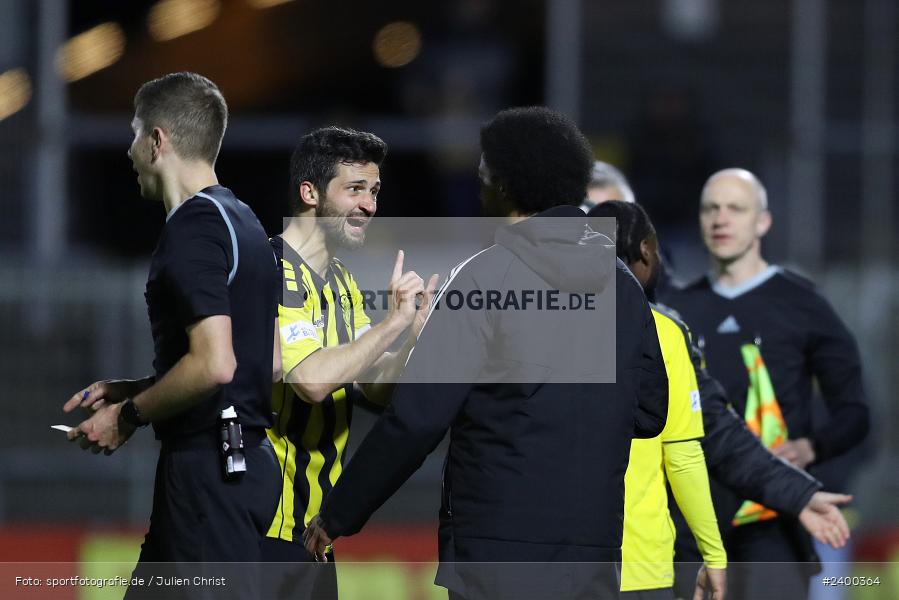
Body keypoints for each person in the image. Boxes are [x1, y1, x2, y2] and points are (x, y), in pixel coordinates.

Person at [303, 106, 670, 600]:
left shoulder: (484, 279)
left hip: (494, 556)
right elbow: (650, 411)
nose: (479, 187)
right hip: (591, 554)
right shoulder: (622, 284)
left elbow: (416, 420)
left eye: (484, 175)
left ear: (506, 185)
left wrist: (337, 514)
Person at [62, 72, 282, 600]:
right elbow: (265, 361)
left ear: (157, 140)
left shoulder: (192, 228)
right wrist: (136, 389)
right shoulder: (243, 220)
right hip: (237, 468)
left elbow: (216, 364)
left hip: (208, 477)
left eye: (135, 133)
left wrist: (128, 416)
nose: (129, 150)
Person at [591, 200, 855, 600]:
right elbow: (690, 450)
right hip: (641, 567)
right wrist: (714, 555)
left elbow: (715, 432)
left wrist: (796, 492)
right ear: (647, 250)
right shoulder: (662, 332)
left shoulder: (522, 321)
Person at [660, 169, 869, 600]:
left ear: (763, 222)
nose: (721, 219)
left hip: (773, 519)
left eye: (735, 208)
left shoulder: (803, 304)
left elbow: (855, 412)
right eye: (710, 208)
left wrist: (810, 448)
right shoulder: (676, 311)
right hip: (694, 523)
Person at [262, 126, 438, 599]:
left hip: (312, 531)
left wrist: (411, 341)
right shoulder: (271, 269)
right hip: (260, 531)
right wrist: (393, 325)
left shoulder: (341, 284)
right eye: (355, 189)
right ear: (309, 193)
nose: (369, 206)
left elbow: (372, 387)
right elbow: (313, 381)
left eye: (374, 191)